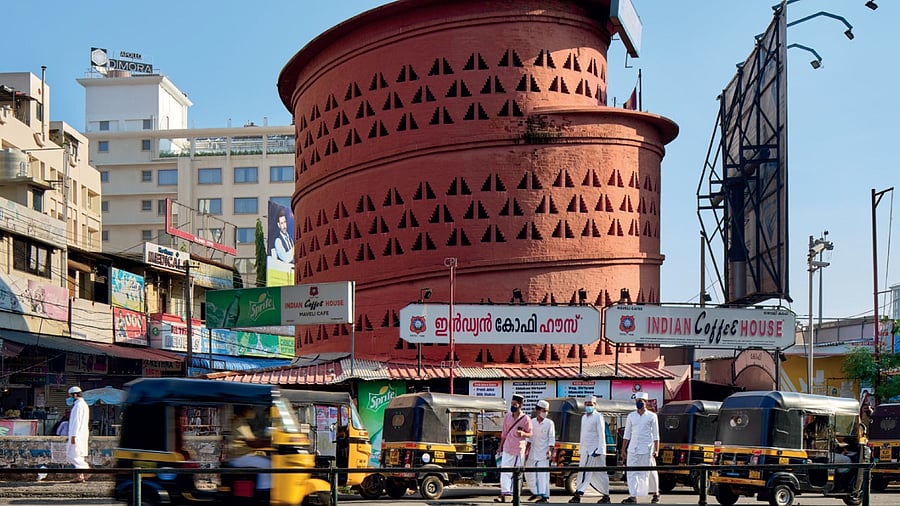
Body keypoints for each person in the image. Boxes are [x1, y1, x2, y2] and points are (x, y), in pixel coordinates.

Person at [569, 395, 611, 504]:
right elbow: (583, 435)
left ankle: (580, 495)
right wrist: (581, 449)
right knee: (584, 472)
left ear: (595, 405)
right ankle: (580, 494)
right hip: (586, 451)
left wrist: (600, 449)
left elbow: (601, 434)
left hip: (595, 451)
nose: (589, 406)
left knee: (599, 473)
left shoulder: (598, 417)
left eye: (591, 404)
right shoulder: (584, 417)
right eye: (587, 404)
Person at [621, 392, 660, 504]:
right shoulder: (631, 416)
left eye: (642, 401)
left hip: (647, 449)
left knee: (649, 472)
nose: (639, 403)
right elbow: (627, 434)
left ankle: (656, 492)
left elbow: (656, 435)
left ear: (646, 402)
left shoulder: (652, 416)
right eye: (638, 400)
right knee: (631, 472)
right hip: (633, 448)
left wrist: (656, 450)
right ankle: (633, 496)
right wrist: (623, 449)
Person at [496, 394, 533, 503]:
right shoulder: (507, 416)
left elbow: (531, 433)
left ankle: (515, 496)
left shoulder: (526, 418)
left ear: (520, 405)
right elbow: (504, 433)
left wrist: (523, 433)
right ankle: (503, 494)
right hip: (507, 448)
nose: (512, 406)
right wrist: (500, 447)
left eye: (514, 404)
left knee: (517, 474)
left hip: (518, 449)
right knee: (504, 471)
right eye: (511, 404)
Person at [227, 405, 272, 491]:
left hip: (245, 455)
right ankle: (264, 491)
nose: (252, 410)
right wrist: (271, 443)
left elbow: (253, 441)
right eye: (250, 408)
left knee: (270, 460)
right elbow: (252, 443)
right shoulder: (238, 422)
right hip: (238, 458)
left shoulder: (242, 422)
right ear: (243, 410)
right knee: (268, 464)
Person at [525, 399, 556, 503]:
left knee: (542, 475)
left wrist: (550, 451)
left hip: (544, 453)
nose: (545, 413)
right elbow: (528, 439)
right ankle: (536, 492)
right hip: (532, 453)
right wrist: (525, 451)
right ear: (538, 410)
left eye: (547, 411)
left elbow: (551, 438)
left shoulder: (549, 423)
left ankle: (544, 496)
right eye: (544, 410)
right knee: (530, 474)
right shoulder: (531, 422)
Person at [66, 386, 90, 483]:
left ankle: (86, 469)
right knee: (79, 455)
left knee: (73, 455)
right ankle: (80, 475)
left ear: (75, 395)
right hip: (82, 434)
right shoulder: (83, 405)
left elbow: (76, 422)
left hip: (77, 434)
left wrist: (74, 436)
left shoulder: (78, 406)